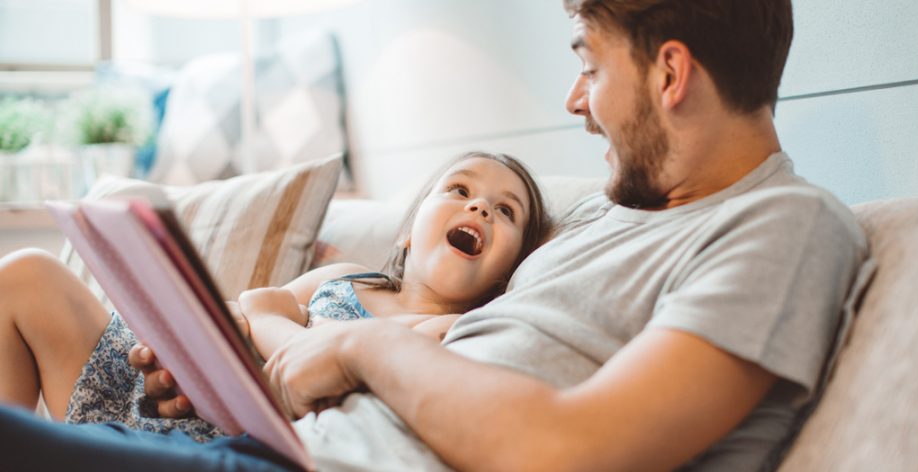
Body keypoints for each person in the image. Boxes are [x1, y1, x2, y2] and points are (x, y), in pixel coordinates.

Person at [0, 1, 871, 470]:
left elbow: (562, 449)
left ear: (670, 73)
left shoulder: (786, 227)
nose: (575, 102)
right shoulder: (616, 213)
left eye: (588, 66)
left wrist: (356, 353)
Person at [0, 151, 552, 441]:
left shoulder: (452, 333)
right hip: (173, 399)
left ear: (510, 271)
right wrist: (186, 346)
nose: (479, 208)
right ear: (408, 231)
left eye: (506, 211)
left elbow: (290, 326)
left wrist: (269, 317)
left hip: (224, 444)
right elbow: (251, 308)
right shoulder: (348, 278)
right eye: (459, 189)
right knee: (26, 273)